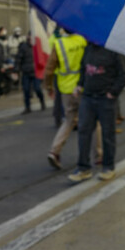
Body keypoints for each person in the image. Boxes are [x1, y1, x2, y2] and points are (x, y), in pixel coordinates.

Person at [69, 43, 125, 182]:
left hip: (106, 99)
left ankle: (108, 167)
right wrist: (79, 85)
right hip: (88, 97)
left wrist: (113, 93)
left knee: (108, 134)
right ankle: (83, 168)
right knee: (83, 132)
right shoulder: (88, 48)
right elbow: (84, 69)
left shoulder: (115, 49)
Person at [44, 29, 101, 169]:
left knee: (69, 120)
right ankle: (99, 156)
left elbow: (49, 69)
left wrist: (49, 87)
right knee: (94, 121)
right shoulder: (83, 40)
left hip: (66, 89)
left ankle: (54, 151)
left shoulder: (58, 44)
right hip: (84, 87)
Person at [15, 31, 46, 114]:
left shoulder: (38, 46)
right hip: (26, 72)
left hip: (36, 72)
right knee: (26, 90)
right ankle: (27, 107)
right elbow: (18, 58)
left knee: (37, 88)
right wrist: (17, 69)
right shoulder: (23, 47)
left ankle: (42, 102)